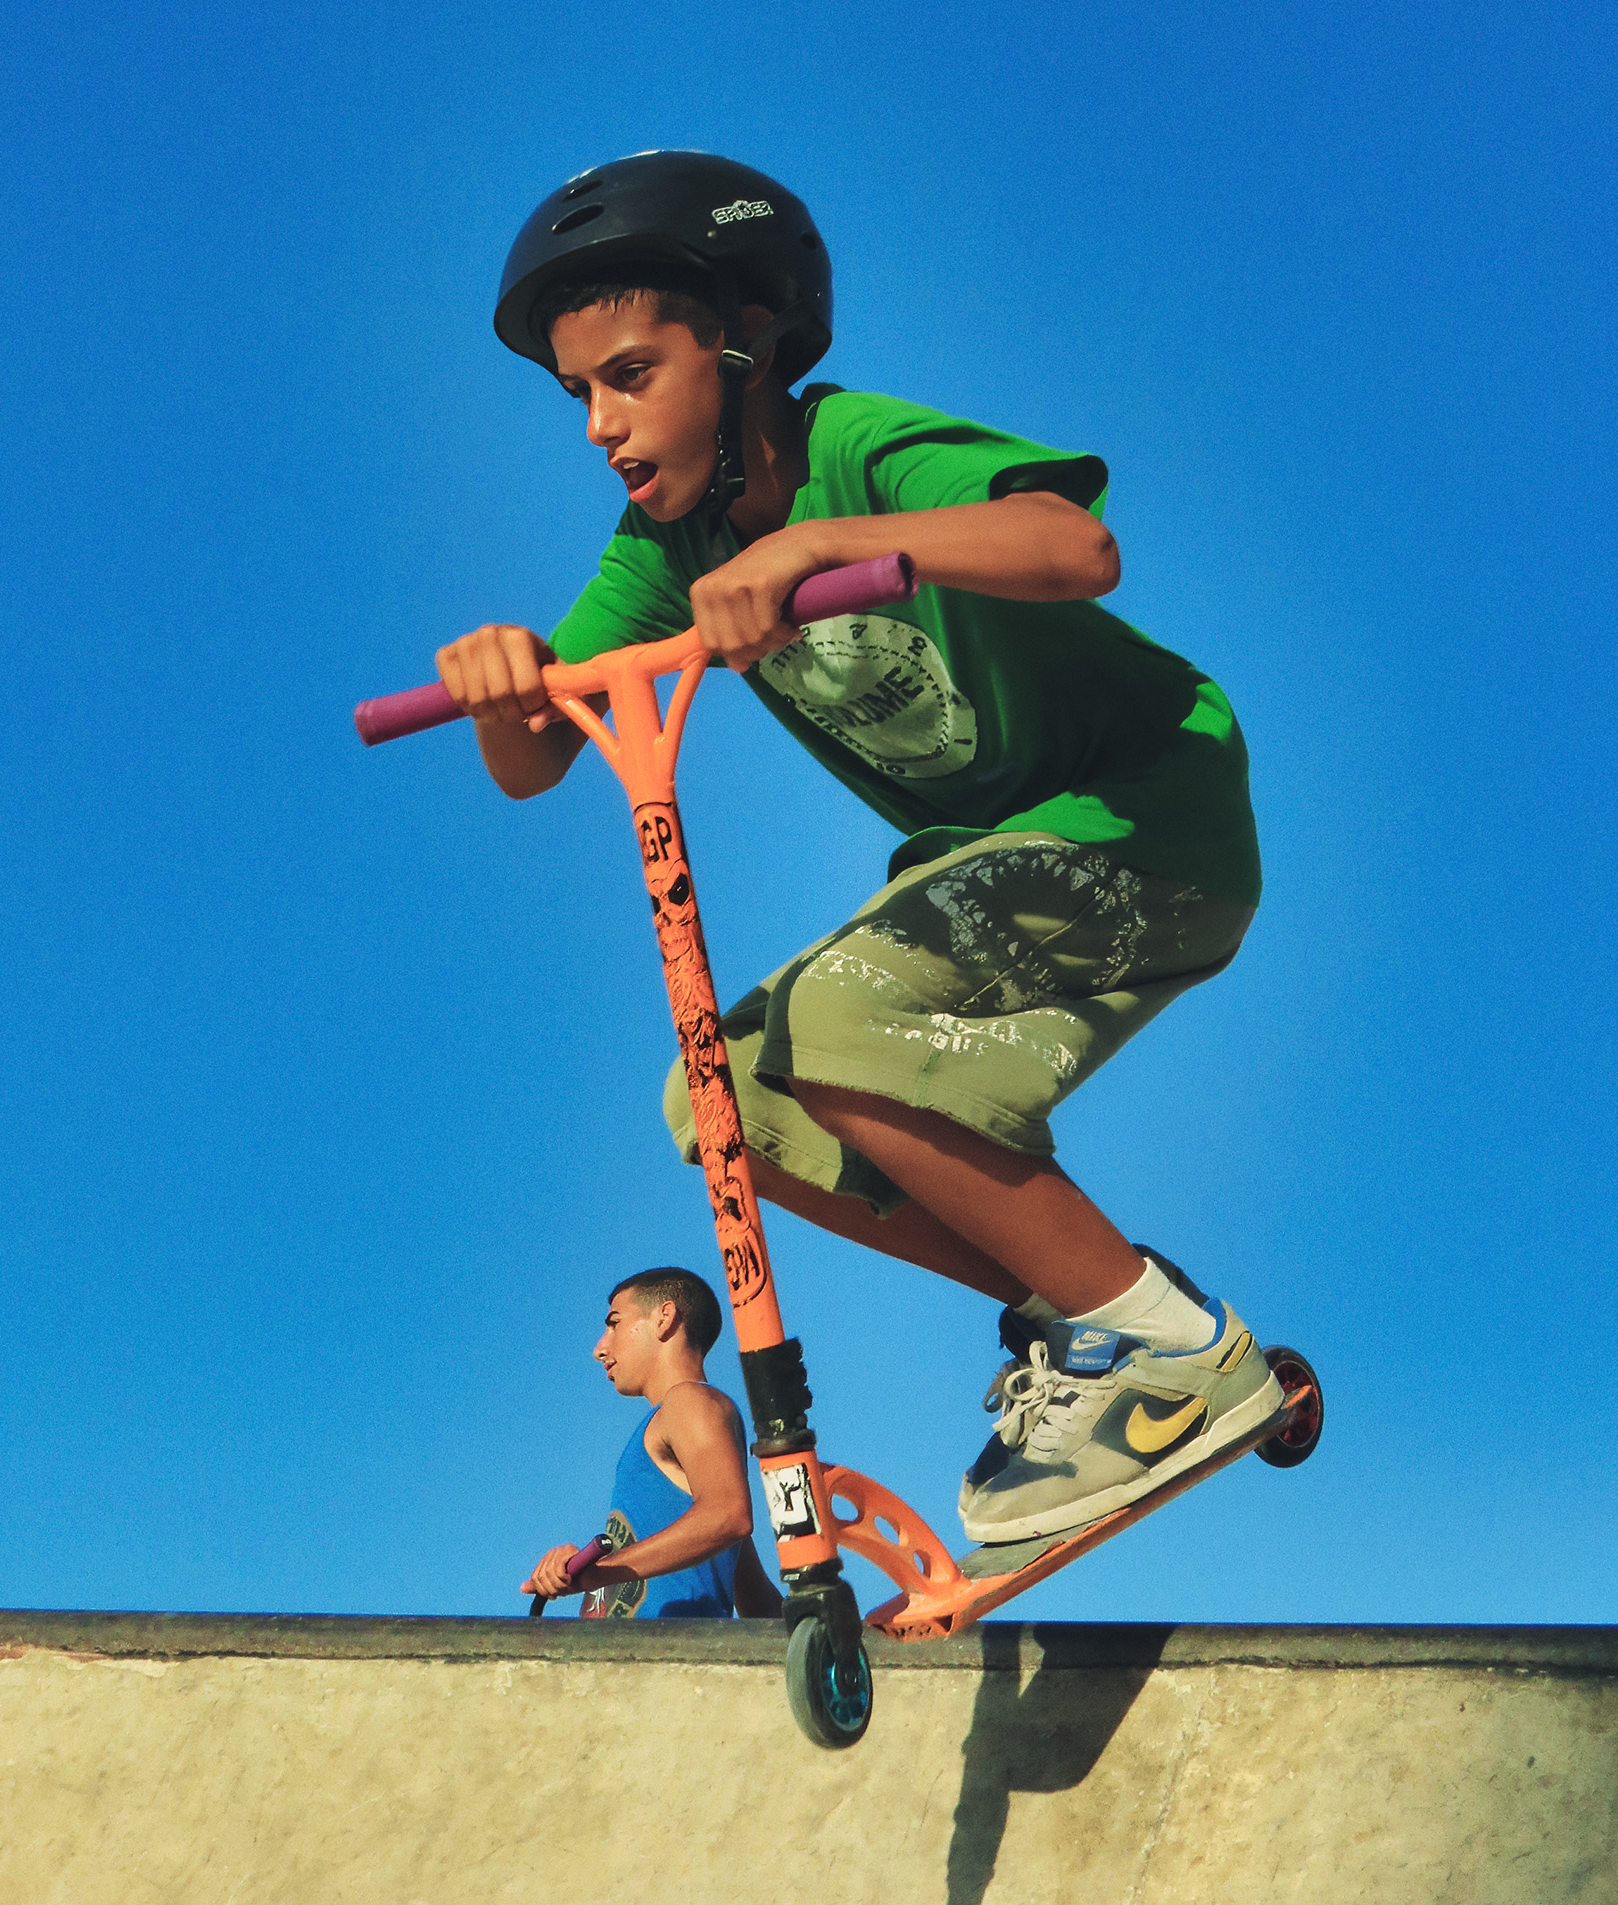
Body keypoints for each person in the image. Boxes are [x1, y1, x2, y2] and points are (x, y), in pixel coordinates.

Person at [447, 152, 1283, 1550]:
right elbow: (543, 754)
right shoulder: (662, 548)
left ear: (744, 337)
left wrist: (829, 542)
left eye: (631, 374)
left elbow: (1075, 547)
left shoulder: (851, 449)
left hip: (1155, 818)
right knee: (721, 1101)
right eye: (576, 393)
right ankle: (1089, 1315)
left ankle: (1167, 1345)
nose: (599, 422)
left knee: (840, 1020)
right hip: (1006, 857)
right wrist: (506, 679)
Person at [522, 1267, 783, 1618]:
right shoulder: (668, 1436)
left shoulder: (690, 1401)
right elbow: (758, 1603)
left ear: (665, 1317)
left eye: (614, 1323)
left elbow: (728, 1516)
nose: (599, 1348)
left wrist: (602, 1571)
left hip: (668, 1665)